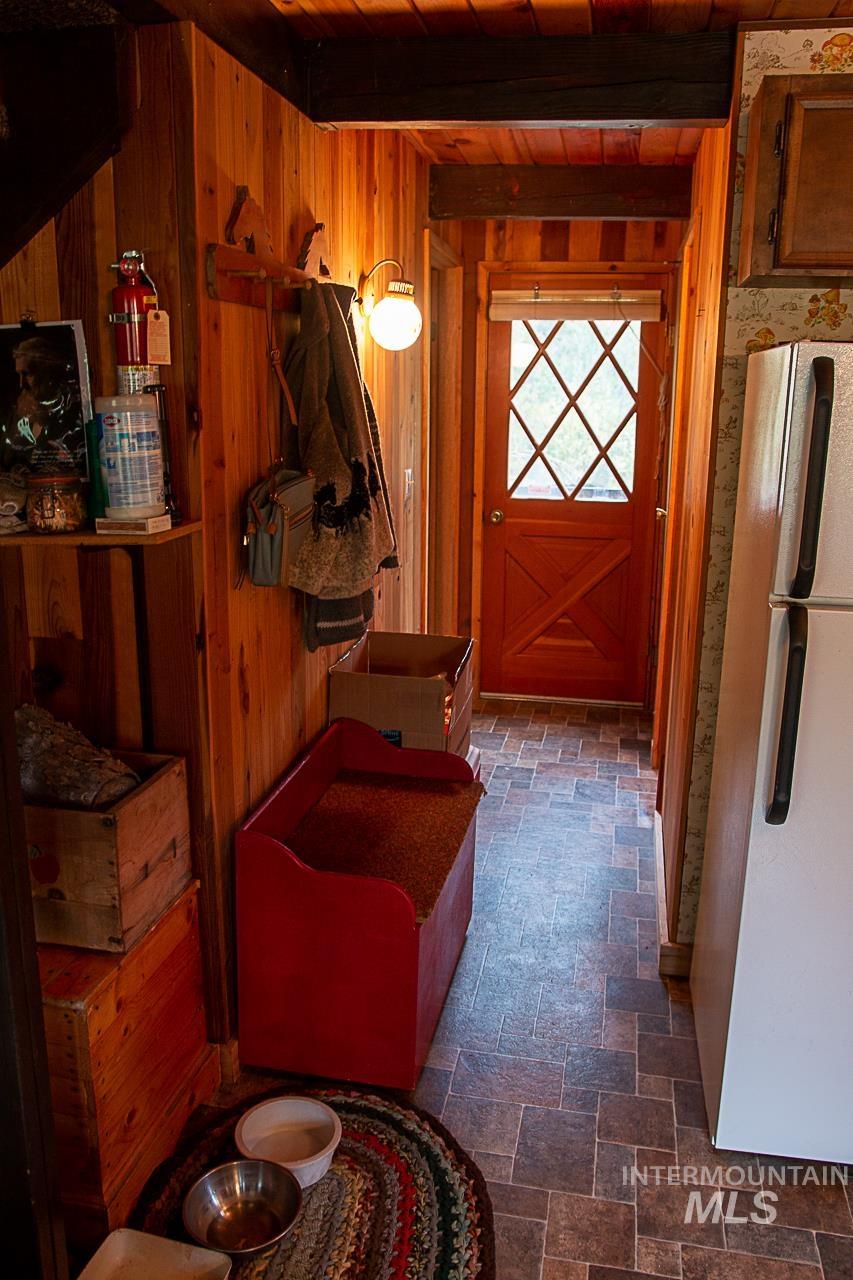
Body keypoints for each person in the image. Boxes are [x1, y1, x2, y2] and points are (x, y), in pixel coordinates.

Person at [0, 334, 86, 474]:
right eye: (19, 375)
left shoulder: (72, 419)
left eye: (27, 374)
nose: (21, 384)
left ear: (47, 374)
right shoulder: (12, 420)